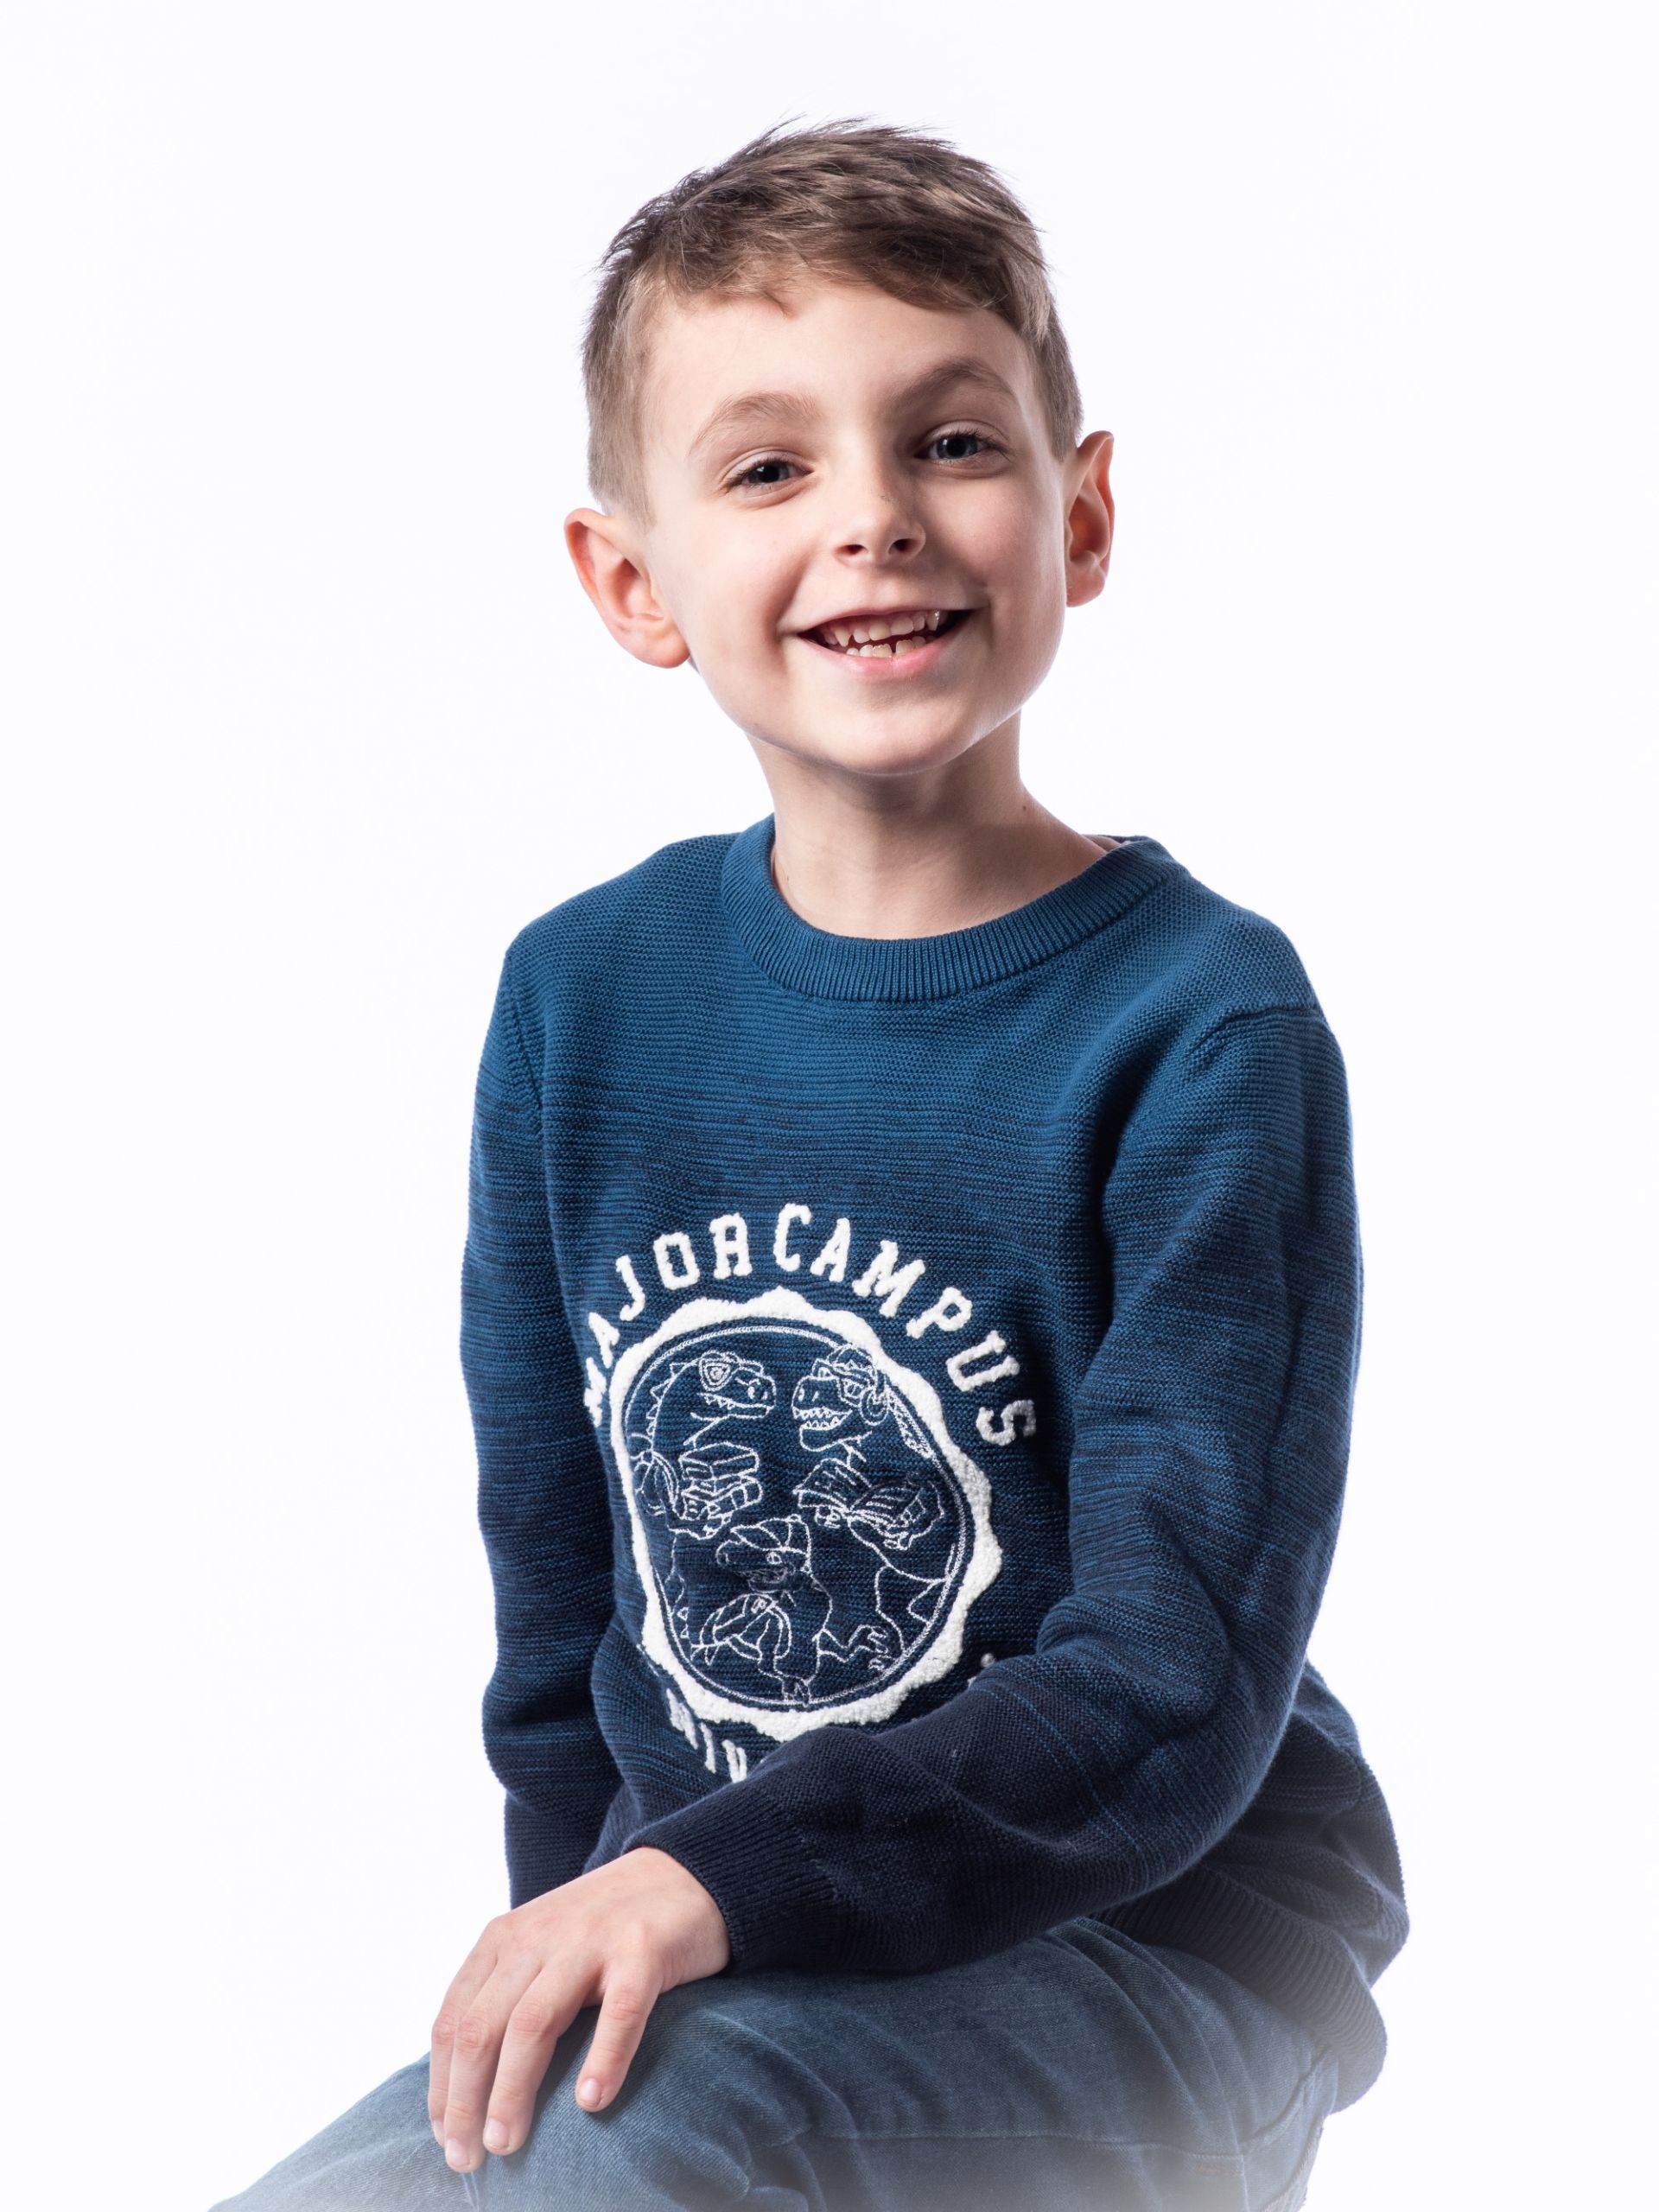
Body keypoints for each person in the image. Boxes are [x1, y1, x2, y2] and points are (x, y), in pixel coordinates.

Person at [211, 116, 1408, 2212]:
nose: (874, 518)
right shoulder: (585, 998)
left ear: (1082, 512)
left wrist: (701, 1887)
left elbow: (1171, 1679)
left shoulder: (1204, 1025)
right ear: (632, 581)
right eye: (770, 468)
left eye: (951, 441)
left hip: (1154, 1954)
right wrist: (578, 1946)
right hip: (754, 1944)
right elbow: (558, 1596)